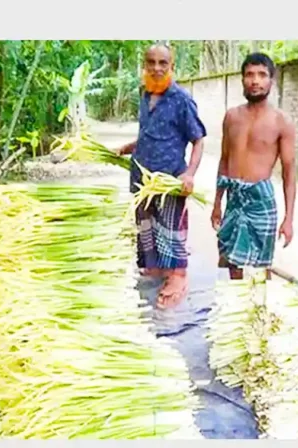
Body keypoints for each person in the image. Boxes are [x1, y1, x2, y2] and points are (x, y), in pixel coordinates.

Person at [115, 43, 207, 309]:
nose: (156, 68)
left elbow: (198, 140)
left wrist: (189, 174)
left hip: (168, 179)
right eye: (151, 62)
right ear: (144, 65)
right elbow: (151, 133)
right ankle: (154, 268)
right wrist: (129, 148)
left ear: (171, 66)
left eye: (162, 63)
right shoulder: (145, 94)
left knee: (170, 229)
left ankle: (177, 276)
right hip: (141, 179)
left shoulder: (181, 99)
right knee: (146, 226)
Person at [211, 52, 296, 280]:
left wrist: (289, 219)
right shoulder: (232, 117)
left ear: (271, 81)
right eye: (249, 75)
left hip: (260, 199)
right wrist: (218, 202)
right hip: (234, 197)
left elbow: (289, 172)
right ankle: (236, 303)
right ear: (242, 80)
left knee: (261, 264)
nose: (255, 80)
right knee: (230, 258)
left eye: (262, 75)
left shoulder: (282, 122)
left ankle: (260, 306)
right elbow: (224, 160)